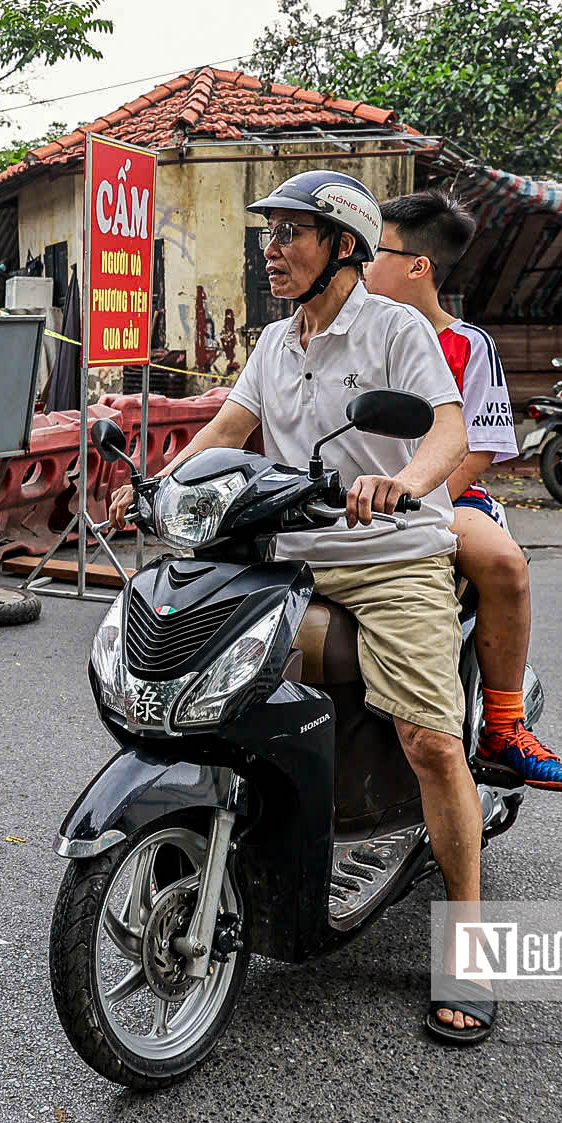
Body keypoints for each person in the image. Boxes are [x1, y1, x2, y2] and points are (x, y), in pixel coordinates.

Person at [107, 170, 495, 1045]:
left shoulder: (394, 327)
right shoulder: (276, 341)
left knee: (430, 740)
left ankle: (466, 942)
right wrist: (155, 488)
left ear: (343, 247)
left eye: (290, 233)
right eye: (268, 233)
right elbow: (227, 429)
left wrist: (404, 484)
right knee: (204, 694)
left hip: (391, 556)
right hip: (286, 555)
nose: (271, 249)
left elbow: (447, 430)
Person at [368, 190, 562, 792]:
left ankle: (505, 726)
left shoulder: (468, 344)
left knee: (504, 564)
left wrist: (416, 499)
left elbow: (479, 447)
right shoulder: (347, 332)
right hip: (353, 498)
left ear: (418, 265)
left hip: (445, 500)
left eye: (374, 252)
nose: (360, 265)